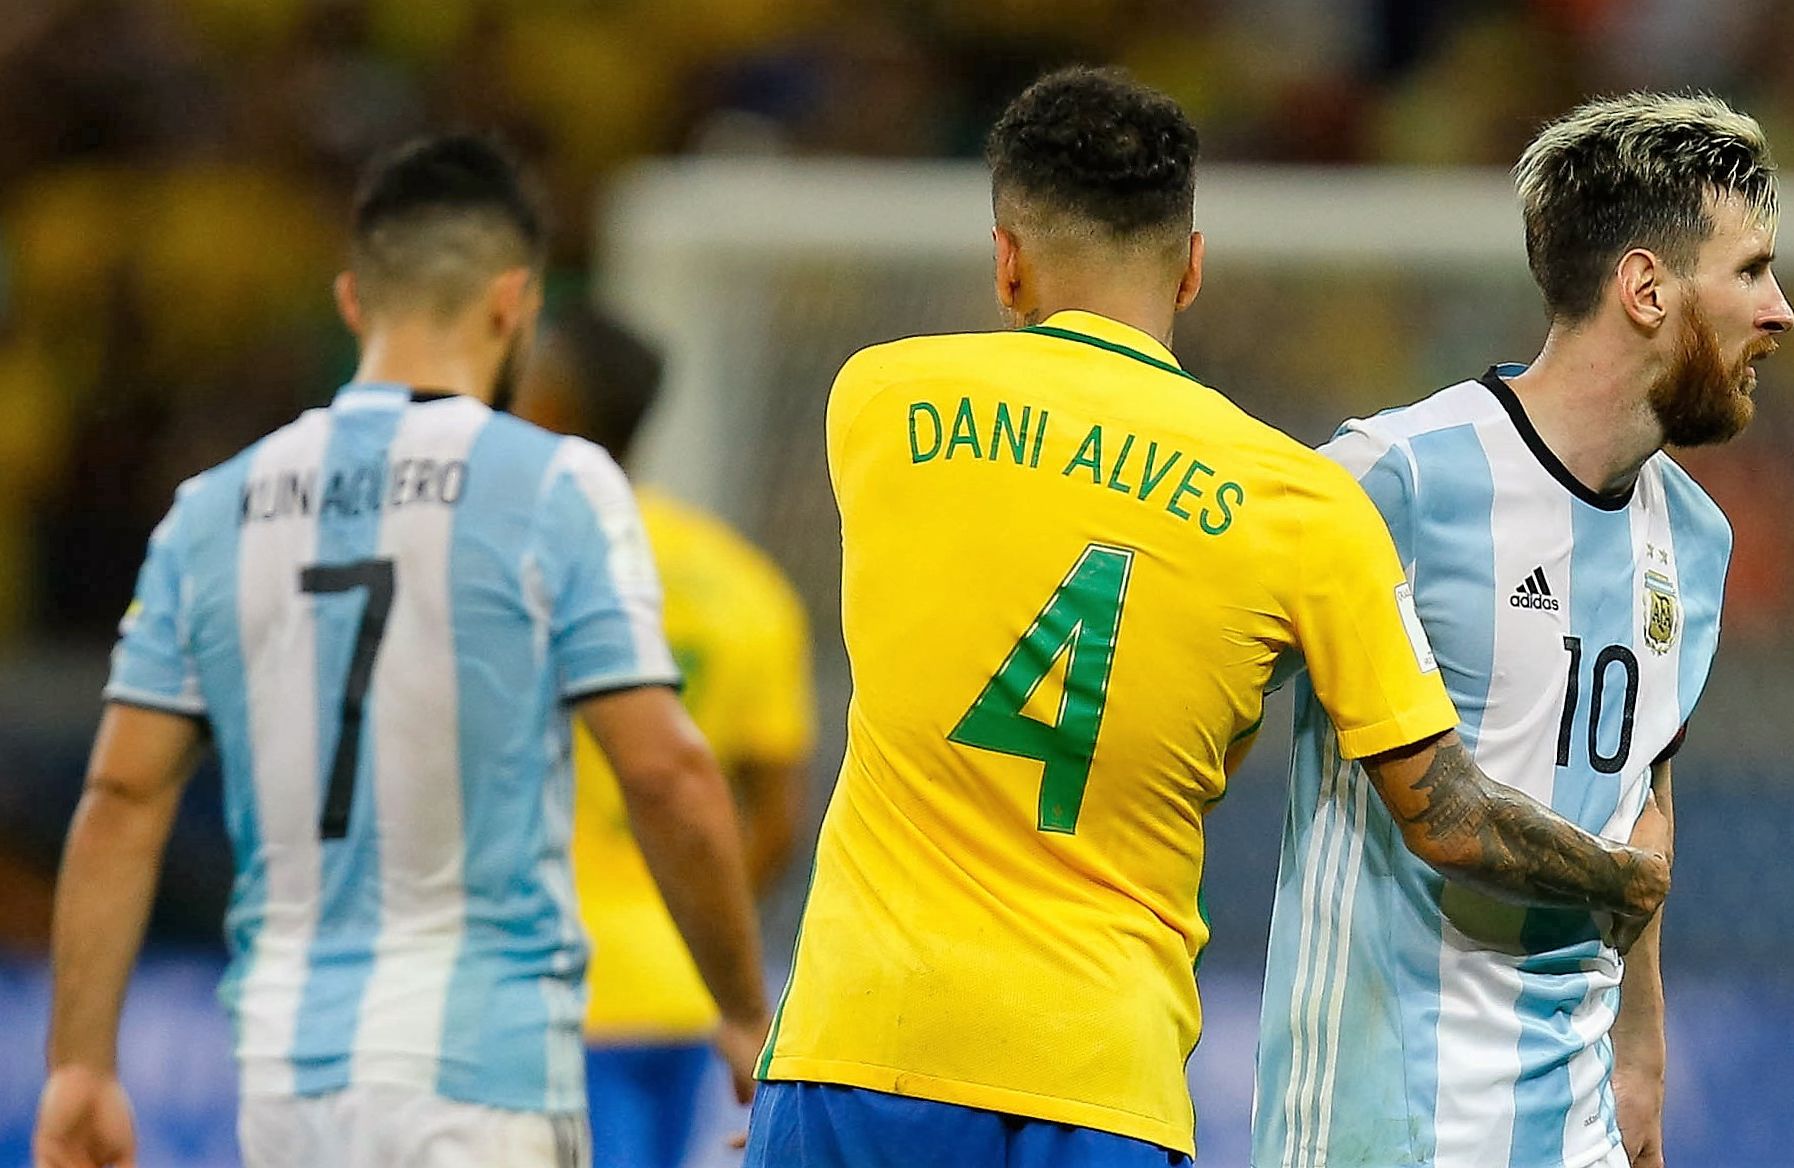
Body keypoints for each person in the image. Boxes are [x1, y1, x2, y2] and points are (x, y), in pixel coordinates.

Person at [744, 67, 1674, 1168]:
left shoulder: (880, 400)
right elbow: (1450, 817)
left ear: (1005, 262)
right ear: (1191, 268)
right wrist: (1622, 877)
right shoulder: (1303, 507)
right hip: (1102, 1083)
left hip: (860, 1043)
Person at [32, 135, 769, 1168]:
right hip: (482, 1068)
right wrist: (742, 1008)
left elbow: (120, 795)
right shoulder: (555, 485)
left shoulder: (211, 509)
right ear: (514, 304)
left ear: (352, 301)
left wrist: (80, 1064)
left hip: (286, 1077)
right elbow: (665, 769)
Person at [1254, 92, 1794, 1168]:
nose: (1780, 312)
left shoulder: (1696, 539)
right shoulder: (1394, 478)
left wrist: (1640, 1058)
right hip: (1378, 1130)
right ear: (1646, 289)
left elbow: (1642, 806)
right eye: (1751, 271)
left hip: (1573, 1131)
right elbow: (1200, 685)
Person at [514, 306, 814, 1168]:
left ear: (552, 404)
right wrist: (699, 919)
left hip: (545, 979)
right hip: (685, 986)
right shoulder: (744, 582)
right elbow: (778, 817)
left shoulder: (517, 565)